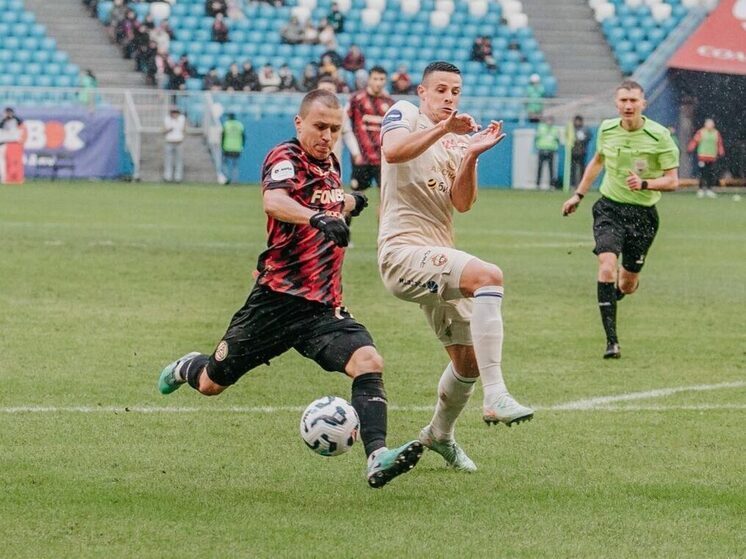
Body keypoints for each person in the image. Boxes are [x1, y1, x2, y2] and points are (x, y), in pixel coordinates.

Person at [157, 89, 423, 489]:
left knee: (368, 361)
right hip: (276, 302)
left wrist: (349, 203)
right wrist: (317, 218)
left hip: (323, 308)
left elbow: (326, 198)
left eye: (334, 129)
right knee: (212, 383)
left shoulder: (331, 163)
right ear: (299, 123)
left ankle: (377, 457)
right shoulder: (286, 157)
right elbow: (275, 202)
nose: (327, 136)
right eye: (319, 127)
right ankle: (186, 366)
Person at [378, 61, 534, 473]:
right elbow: (393, 151)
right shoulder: (404, 114)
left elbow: (462, 203)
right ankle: (496, 395)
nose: (449, 98)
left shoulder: (455, 140)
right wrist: (446, 129)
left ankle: (439, 435)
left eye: (456, 92)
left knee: (467, 361)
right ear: (422, 92)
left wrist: (471, 155)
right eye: (441, 90)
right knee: (489, 276)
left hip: (438, 255)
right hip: (402, 250)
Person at [561, 80, 679, 359]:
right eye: (623, 101)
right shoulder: (607, 129)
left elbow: (673, 181)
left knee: (626, 284)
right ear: (616, 104)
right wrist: (578, 195)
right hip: (610, 208)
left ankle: (616, 291)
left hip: (643, 215)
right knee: (606, 267)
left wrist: (646, 183)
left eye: (633, 101)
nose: (628, 106)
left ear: (643, 104)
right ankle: (611, 342)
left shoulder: (659, 136)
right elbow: (597, 161)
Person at [347, 66, 393, 192]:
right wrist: (355, 152)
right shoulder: (356, 100)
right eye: (375, 79)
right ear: (369, 80)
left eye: (381, 79)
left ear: (385, 81)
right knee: (356, 196)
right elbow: (346, 127)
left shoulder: (390, 102)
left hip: (382, 159)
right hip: (362, 156)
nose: (378, 82)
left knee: (385, 195)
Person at [688, 118, 725, 199]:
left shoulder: (716, 133)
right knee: (702, 173)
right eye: (708, 124)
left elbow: (719, 143)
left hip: (712, 157)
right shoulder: (701, 132)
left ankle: (709, 189)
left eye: (711, 124)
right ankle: (701, 189)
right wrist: (690, 148)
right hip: (702, 156)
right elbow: (695, 141)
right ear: (705, 124)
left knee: (710, 173)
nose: (710, 126)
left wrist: (721, 151)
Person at [535, 115, 560, 189]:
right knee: (540, 168)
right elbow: (536, 138)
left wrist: (555, 147)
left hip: (551, 150)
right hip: (542, 149)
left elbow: (557, 139)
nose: (549, 122)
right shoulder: (541, 128)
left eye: (551, 120)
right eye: (548, 120)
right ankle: (538, 184)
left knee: (551, 168)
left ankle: (552, 184)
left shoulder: (555, 129)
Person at [220, 112, 245, 185]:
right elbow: (243, 136)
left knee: (224, 163)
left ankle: (227, 178)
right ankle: (235, 180)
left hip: (227, 147)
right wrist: (242, 146)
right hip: (237, 147)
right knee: (235, 165)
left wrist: (222, 146)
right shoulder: (239, 125)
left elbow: (223, 136)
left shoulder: (226, 124)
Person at [163, 106, 186, 183]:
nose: (174, 114)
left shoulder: (182, 119)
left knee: (179, 161)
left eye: (176, 112)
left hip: (179, 142)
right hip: (169, 142)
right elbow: (163, 130)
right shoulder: (167, 119)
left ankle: (178, 177)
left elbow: (184, 129)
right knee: (168, 161)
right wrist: (169, 129)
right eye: (173, 112)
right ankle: (167, 177)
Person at [569, 115, 591, 187]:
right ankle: (572, 184)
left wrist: (582, 140)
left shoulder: (585, 129)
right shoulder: (572, 129)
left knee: (582, 169)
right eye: (576, 121)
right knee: (573, 169)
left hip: (582, 152)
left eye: (579, 121)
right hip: (573, 152)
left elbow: (589, 137)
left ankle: (582, 184)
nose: (577, 122)